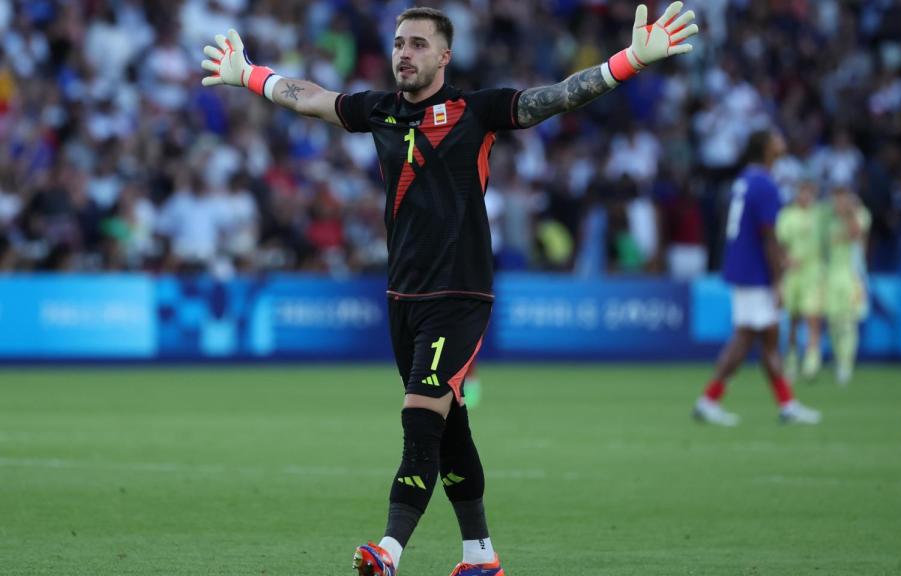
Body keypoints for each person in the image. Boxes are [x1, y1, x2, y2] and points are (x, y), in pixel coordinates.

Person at [201, 4, 699, 575]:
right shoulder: (380, 111)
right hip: (402, 297)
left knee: (419, 417)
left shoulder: (476, 110)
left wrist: (630, 59)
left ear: (444, 55)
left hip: (460, 294)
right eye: (397, 43)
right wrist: (249, 75)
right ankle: (480, 556)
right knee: (450, 427)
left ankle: (388, 552)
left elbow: (558, 96)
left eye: (416, 44)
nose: (403, 53)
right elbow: (311, 97)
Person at [692, 129, 821, 426]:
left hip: (742, 266)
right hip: (756, 272)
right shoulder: (765, 183)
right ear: (765, 147)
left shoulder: (745, 179)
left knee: (762, 339)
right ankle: (711, 400)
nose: (782, 141)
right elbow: (769, 236)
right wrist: (778, 279)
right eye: (777, 138)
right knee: (752, 337)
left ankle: (784, 404)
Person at [775, 175, 825, 381]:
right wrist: (785, 260)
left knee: (812, 316)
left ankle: (812, 358)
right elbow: (779, 244)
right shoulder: (787, 216)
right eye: (802, 192)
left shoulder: (821, 216)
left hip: (813, 272)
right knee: (793, 319)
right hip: (793, 274)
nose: (805, 196)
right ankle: (792, 357)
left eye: (809, 192)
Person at [822, 185, 871, 386]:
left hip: (853, 275)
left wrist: (849, 213)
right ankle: (838, 357)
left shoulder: (861, 214)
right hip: (831, 274)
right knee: (833, 320)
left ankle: (846, 364)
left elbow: (855, 234)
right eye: (836, 198)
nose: (839, 202)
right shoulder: (827, 219)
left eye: (842, 197)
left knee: (848, 321)